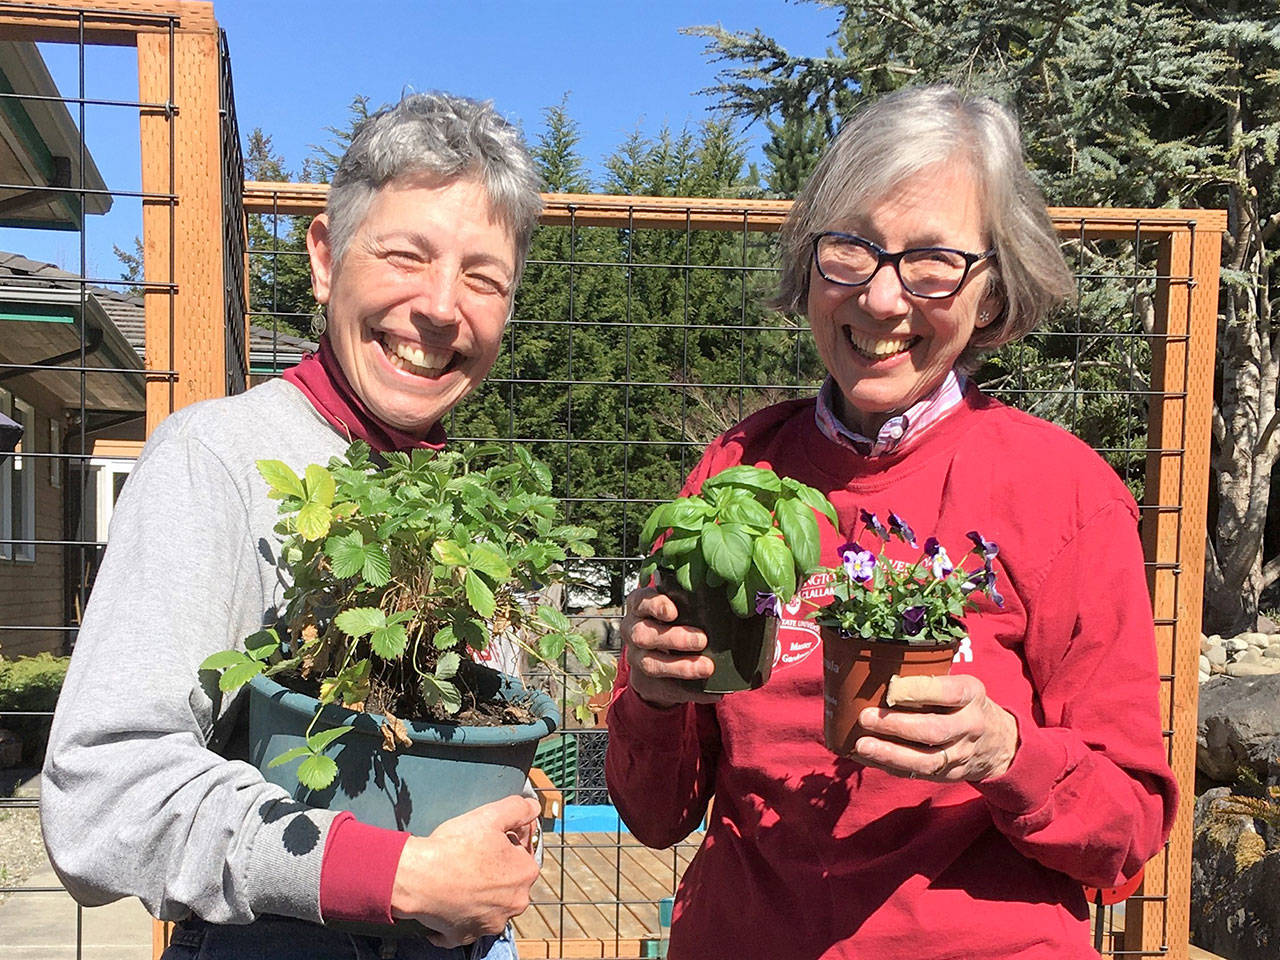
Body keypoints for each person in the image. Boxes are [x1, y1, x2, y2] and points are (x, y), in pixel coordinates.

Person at [605, 85, 1179, 960]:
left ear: (990, 294)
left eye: (933, 262)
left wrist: (1004, 755)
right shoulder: (735, 479)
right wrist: (651, 696)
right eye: (853, 250)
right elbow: (655, 816)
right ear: (811, 266)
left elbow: (1128, 833)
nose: (880, 299)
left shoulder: (1066, 492)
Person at [41, 92, 545, 960]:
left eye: (483, 277)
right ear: (324, 257)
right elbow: (102, 798)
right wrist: (394, 873)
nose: (440, 306)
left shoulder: (458, 506)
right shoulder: (219, 459)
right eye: (404, 254)